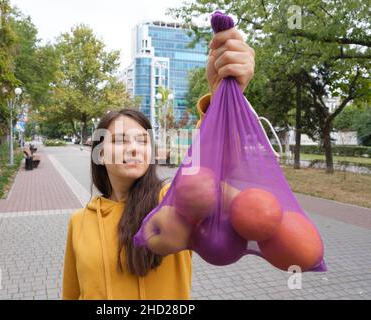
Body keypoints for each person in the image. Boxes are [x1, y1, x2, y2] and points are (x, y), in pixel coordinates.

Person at [62, 27, 255, 300]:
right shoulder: (79, 223)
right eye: (119, 140)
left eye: (142, 140)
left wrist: (224, 94)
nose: (133, 148)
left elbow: (216, 165)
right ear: (100, 154)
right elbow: (71, 294)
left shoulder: (172, 202)